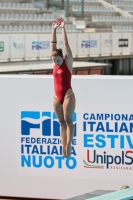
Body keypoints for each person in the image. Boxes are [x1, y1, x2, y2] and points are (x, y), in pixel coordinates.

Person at [51, 18, 76, 158]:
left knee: (69, 122)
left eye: (58, 60)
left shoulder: (68, 63)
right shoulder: (55, 62)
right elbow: (53, 45)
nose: (56, 62)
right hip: (56, 96)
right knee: (61, 123)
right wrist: (53, 29)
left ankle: (69, 143)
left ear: (63, 57)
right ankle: (63, 145)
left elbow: (65, 44)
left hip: (67, 95)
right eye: (54, 60)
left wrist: (62, 29)